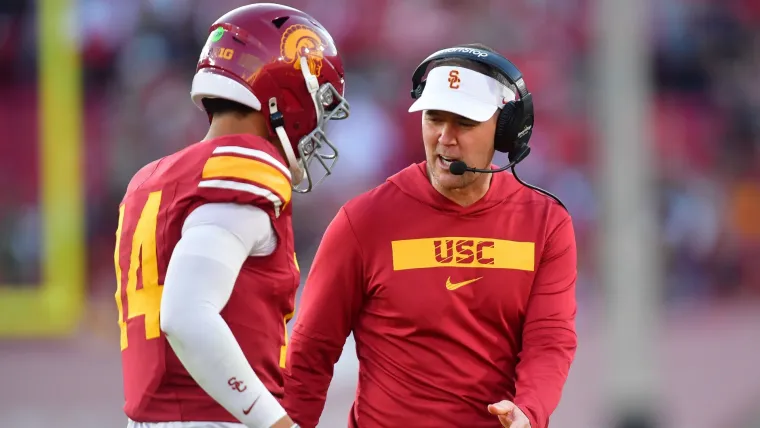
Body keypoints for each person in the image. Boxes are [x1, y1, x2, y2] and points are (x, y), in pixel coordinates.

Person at [282, 44, 577, 428]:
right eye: (434, 118)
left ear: (505, 130)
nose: (444, 137)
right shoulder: (364, 221)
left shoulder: (546, 224)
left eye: (465, 124)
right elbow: (310, 354)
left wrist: (530, 411)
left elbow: (550, 340)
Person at [112, 4, 350, 428]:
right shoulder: (243, 166)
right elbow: (185, 314)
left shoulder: (153, 178)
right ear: (285, 96)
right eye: (319, 102)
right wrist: (275, 423)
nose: (317, 123)